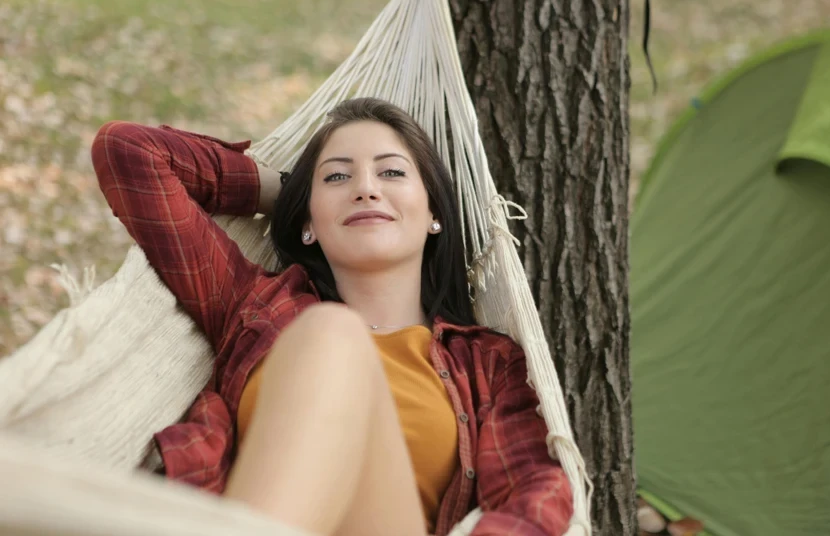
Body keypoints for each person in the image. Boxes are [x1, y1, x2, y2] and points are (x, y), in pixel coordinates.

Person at [91, 97, 573, 536]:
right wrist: (290, 199)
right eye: (337, 177)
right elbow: (129, 152)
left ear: (434, 214)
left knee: (333, 330)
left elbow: (534, 495)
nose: (365, 188)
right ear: (307, 224)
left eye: (392, 174)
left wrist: (324, 202)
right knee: (331, 330)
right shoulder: (255, 307)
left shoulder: (487, 364)